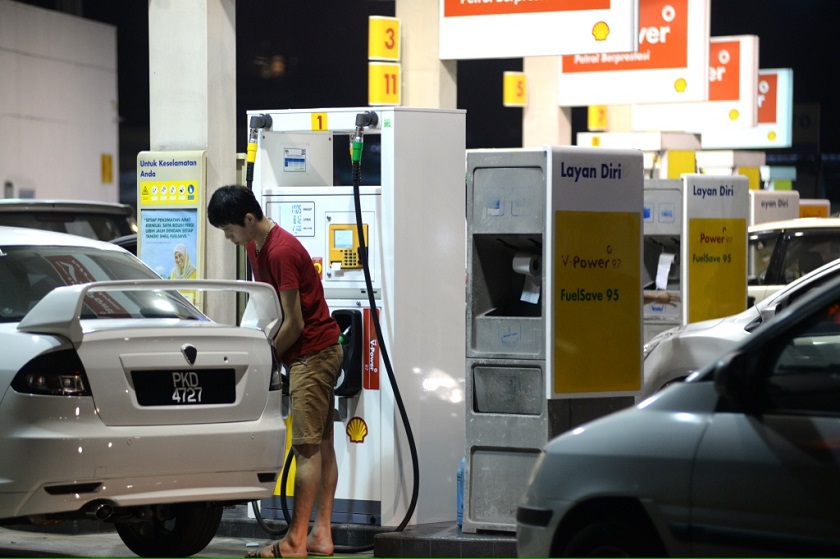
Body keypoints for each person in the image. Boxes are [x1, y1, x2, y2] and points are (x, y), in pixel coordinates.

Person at [208, 185, 342, 558]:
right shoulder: (255, 247)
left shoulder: (282, 251)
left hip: (313, 355)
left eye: (229, 229)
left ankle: (296, 541)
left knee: (306, 449)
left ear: (249, 220)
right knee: (321, 446)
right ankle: (321, 536)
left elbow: (295, 323)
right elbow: (269, 309)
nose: (228, 237)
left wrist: (263, 357)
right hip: (312, 353)